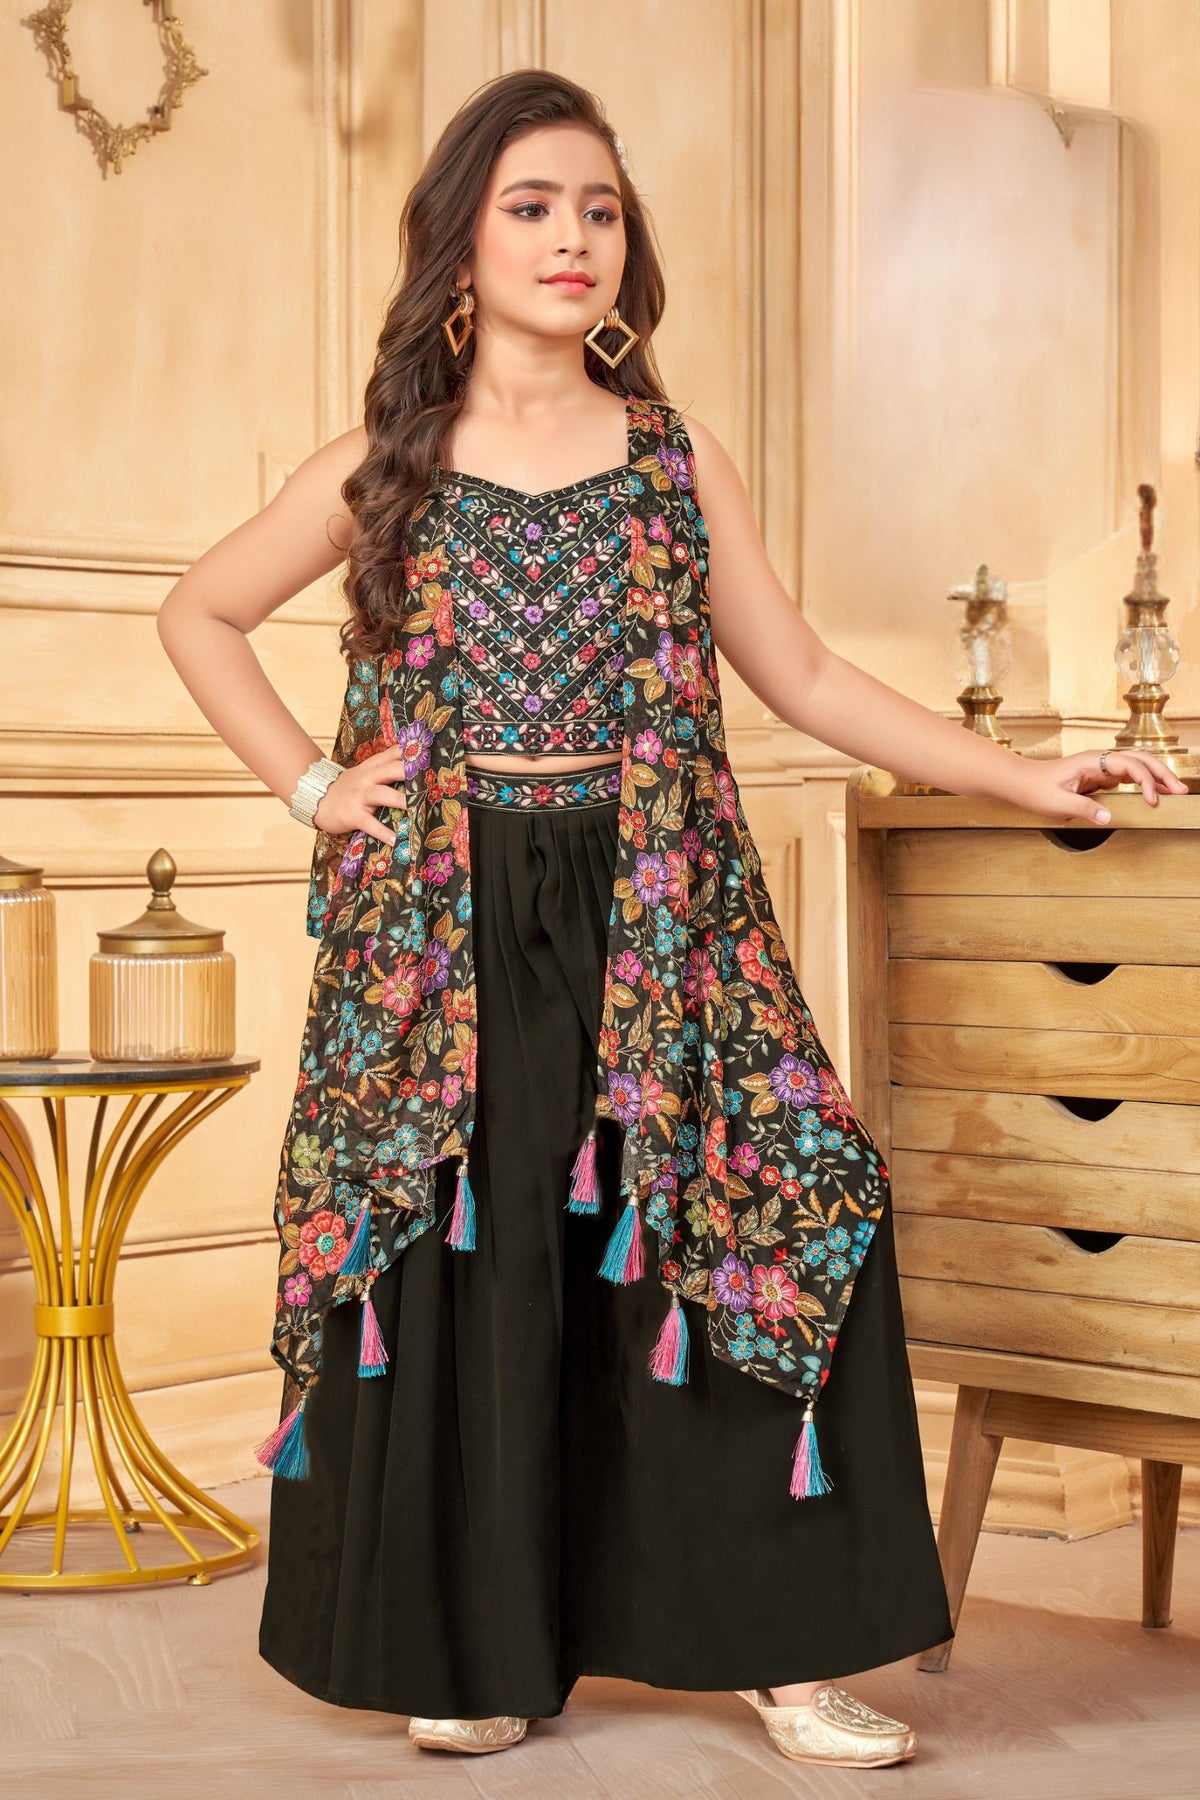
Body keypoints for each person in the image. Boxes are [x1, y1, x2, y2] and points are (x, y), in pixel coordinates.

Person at [156, 67, 1186, 1773]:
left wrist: (1030, 777)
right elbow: (199, 614)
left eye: (601, 210)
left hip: (662, 910)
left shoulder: (669, 457)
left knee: (761, 1215)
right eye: (532, 207)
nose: (573, 238)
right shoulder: (387, 465)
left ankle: (785, 1652)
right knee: (484, 1266)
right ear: (462, 246)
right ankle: (484, 1651)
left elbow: (808, 677)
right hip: (448, 928)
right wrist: (311, 786)